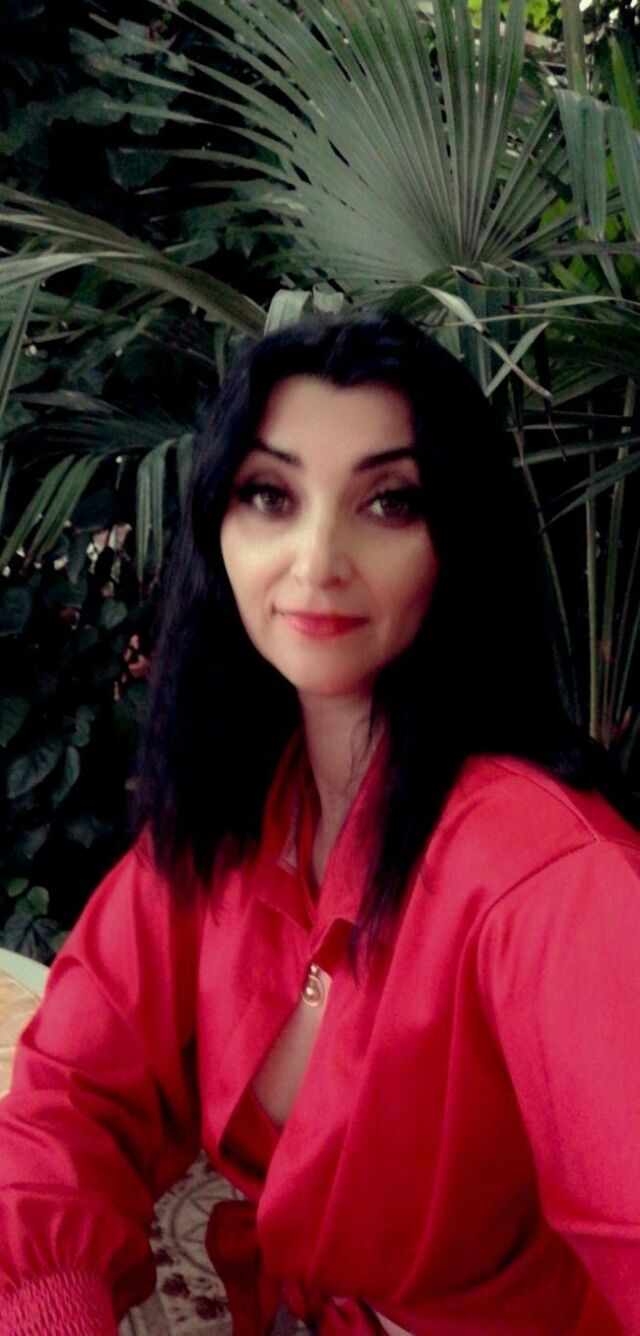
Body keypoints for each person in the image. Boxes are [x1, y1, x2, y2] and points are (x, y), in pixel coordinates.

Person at [0, 314, 639, 1335]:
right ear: (218, 522)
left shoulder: (557, 879)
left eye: (389, 501)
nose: (316, 559)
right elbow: (75, 1085)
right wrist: (49, 1306)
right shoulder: (239, 801)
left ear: (457, 540)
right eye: (271, 493)